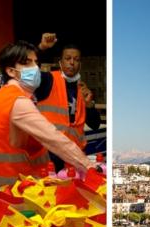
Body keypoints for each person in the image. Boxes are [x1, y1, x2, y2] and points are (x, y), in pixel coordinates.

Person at [0, 40, 98, 184]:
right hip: (6, 186)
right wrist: (90, 167)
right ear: (11, 71)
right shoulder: (18, 101)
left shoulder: (2, 94)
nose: (35, 68)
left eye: (35, 63)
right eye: (27, 63)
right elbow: (53, 138)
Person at [35, 33, 102, 171]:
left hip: (73, 158)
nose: (72, 62)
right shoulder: (49, 81)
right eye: (68, 58)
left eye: (76, 59)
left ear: (80, 64)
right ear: (61, 62)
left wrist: (89, 105)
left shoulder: (81, 89)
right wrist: (41, 48)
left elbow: (95, 125)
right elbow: (30, 71)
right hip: (49, 157)